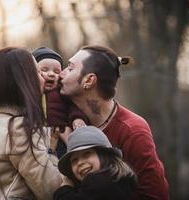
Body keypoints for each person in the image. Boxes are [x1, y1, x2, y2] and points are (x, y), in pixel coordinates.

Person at [59, 45, 169, 200]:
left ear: (89, 80)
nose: (60, 73)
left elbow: (154, 195)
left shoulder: (132, 130)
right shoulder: (64, 118)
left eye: (70, 68)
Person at [0, 47, 62, 200]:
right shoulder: (18, 129)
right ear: (24, 81)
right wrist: (51, 152)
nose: (43, 78)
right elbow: (52, 189)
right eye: (38, 72)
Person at [32, 46, 89, 158]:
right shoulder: (31, 95)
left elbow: (73, 106)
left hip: (62, 136)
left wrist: (77, 118)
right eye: (44, 70)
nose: (51, 74)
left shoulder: (61, 92)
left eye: (57, 71)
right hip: (39, 139)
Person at [53, 126, 137, 200]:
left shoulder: (98, 182)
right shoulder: (118, 180)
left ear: (104, 154)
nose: (80, 163)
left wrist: (65, 188)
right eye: (74, 160)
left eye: (86, 154)